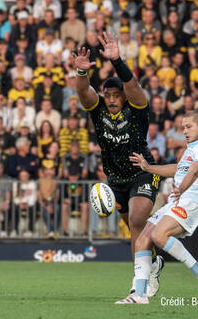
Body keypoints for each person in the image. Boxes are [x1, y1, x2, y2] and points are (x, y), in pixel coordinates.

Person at [70, 33, 163, 296]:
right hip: (116, 179)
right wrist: (80, 71)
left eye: (115, 95)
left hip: (143, 172)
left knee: (136, 220)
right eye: (107, 95)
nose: (111, 99)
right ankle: (153, 263)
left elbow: (132, 85)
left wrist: (118, 61)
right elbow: (83, 91)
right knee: (137, 229)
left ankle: (138, 284)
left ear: (123, 97)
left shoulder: (137, 108)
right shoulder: (98, 110)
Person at [117, 110, 198, 304]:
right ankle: (140, 294)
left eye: (189, 127)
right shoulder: (190, 148)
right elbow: (178, 168)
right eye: (183, 127)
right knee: (142, 240)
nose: (185, 131)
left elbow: (195, 170)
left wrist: (181, 189)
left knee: (158, 236)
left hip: (190, 200)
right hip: (176, 200)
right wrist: (148, 167)